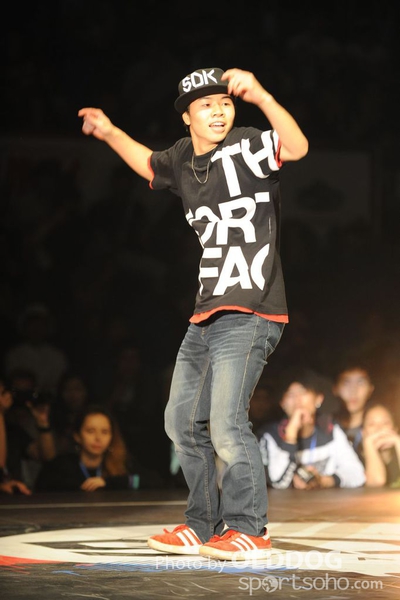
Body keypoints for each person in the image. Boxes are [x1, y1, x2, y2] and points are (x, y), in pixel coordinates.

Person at [78, 66, 309, 561]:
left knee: (226, 423)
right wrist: (108, 130)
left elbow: (296, 147)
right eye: (206, 105)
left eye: (225, 102)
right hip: (205, 314)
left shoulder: (247, 145)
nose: (219, 111)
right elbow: (148, 164)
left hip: (251, 309)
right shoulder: (183, 157)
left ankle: (250, 528)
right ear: (187, 117)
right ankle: (202, 524)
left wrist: (262, 96)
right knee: (180, 421)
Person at [259, 368, 366, 489]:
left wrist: (324, 480)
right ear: (282, 403)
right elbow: (277, 482)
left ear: (318, 399)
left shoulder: (330, 429)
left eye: (303, 392)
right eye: (290, 394)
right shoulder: (270, 435)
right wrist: (290, 436)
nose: (297, 399)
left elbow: (358, 474)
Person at [35, 405, 141, 492]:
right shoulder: (60, 467)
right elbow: (39, 492)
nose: (98, 438)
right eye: (90, 431)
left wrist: (108, 482)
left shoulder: (121, 463)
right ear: (77, 436)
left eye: (104, 432)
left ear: (111, 437)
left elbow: (148, 481)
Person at [332, 360, 375, 451]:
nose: (353, 391)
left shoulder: (376, 428)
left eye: (360, 383)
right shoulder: (325, 428)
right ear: (335, 389)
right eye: (346, 383)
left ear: (370, 390)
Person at [358, 402, 400, 488]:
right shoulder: (354, 460)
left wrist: (398, 442)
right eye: (371, 424)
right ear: (363, 432)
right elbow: (376, 482)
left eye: (385, 423)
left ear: (395, 429)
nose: (379, 428)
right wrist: (368, 444)